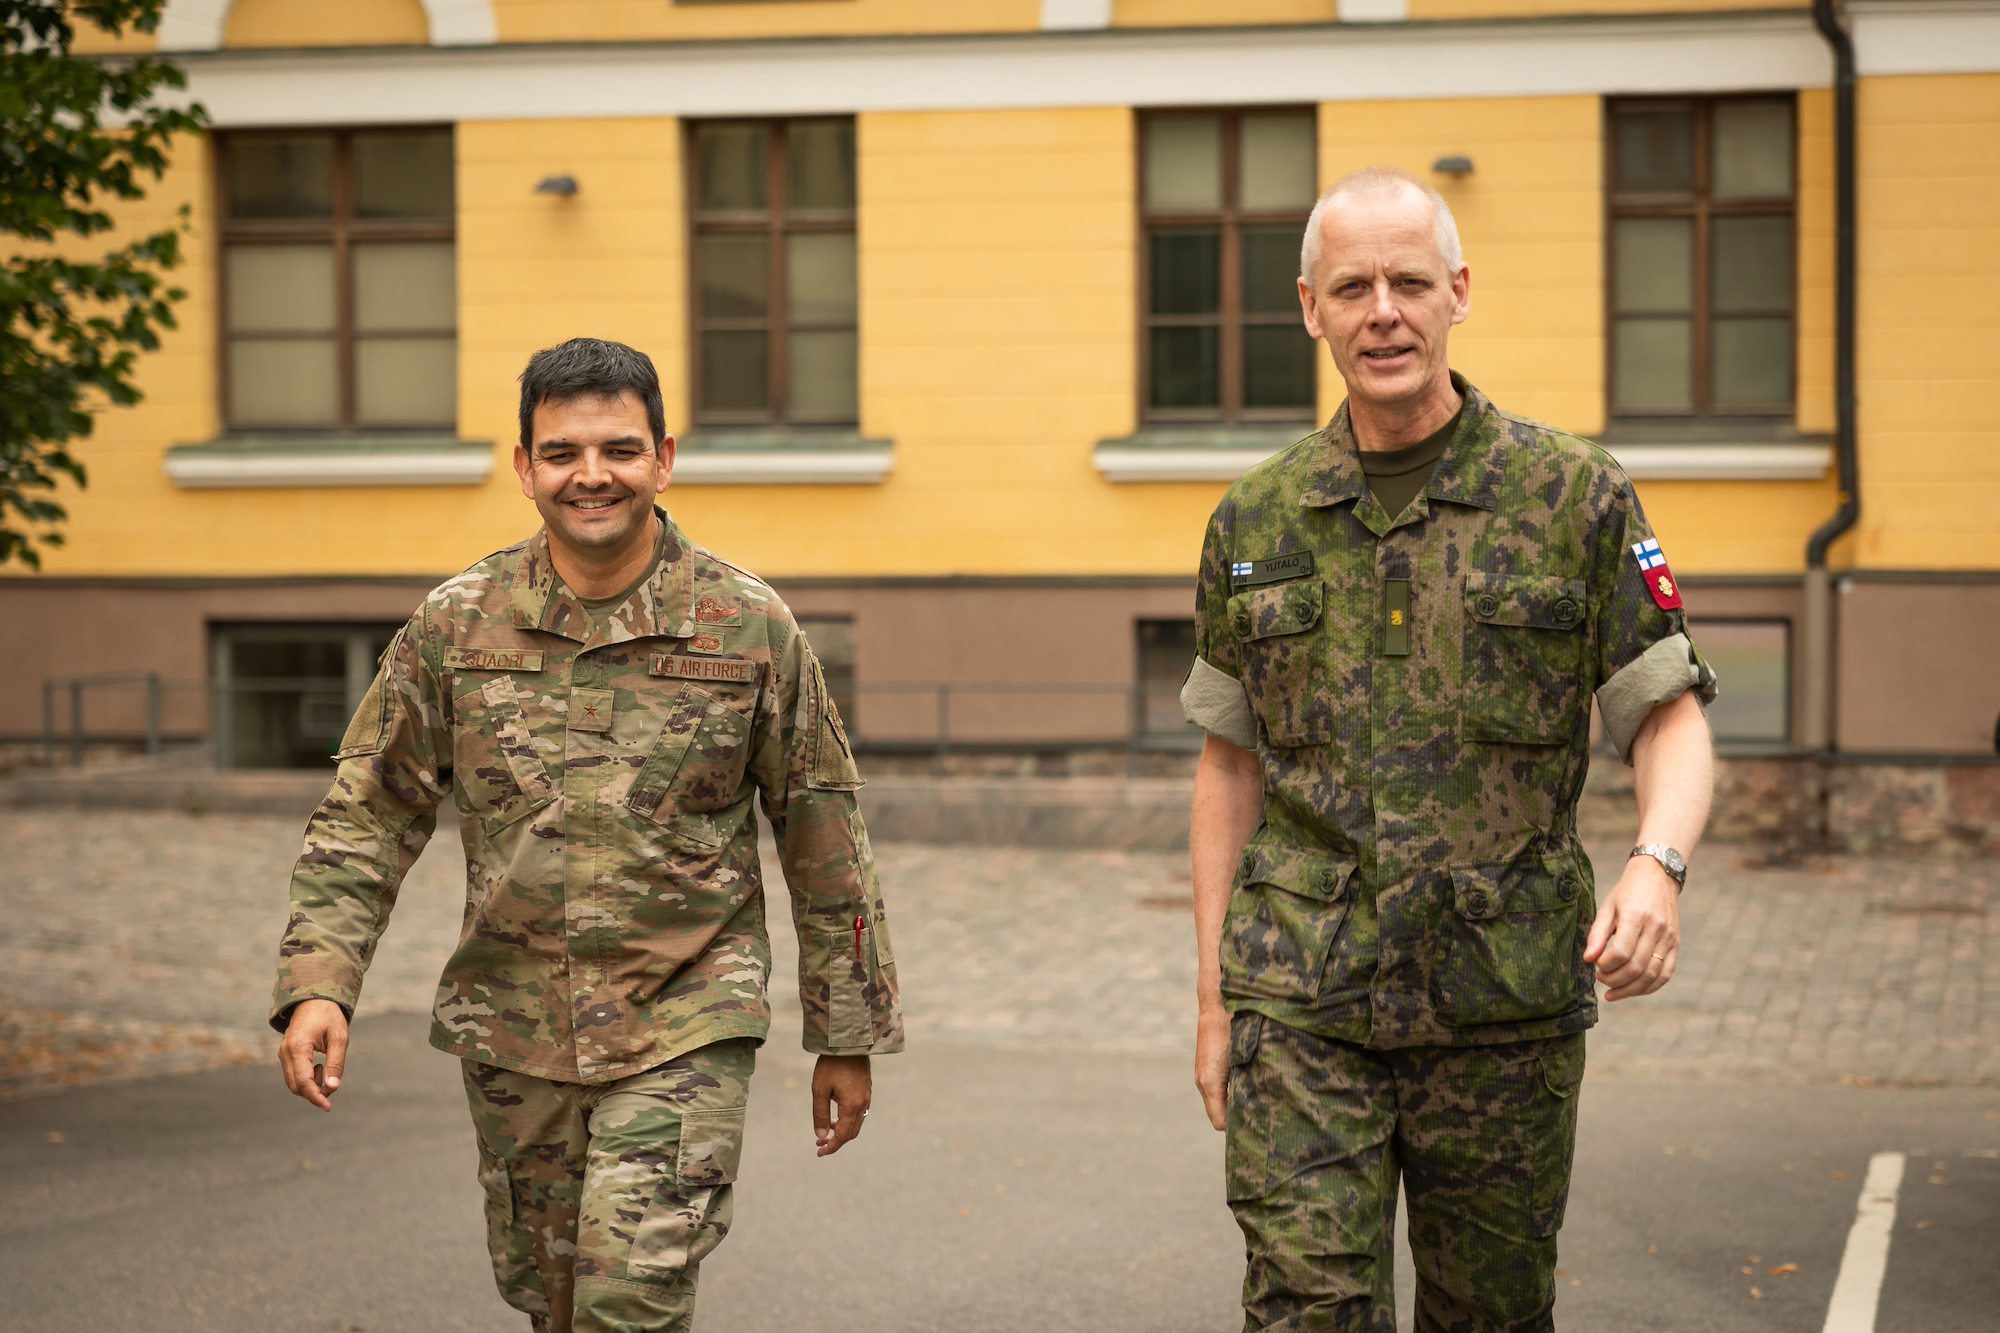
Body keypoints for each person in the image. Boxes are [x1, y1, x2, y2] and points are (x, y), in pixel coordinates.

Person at [271, 337, 904, 1333]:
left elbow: (824, 832)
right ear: (525, 468)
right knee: (554, 1303)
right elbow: (369, 814)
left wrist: (846, 1033)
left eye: (619, 448)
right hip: (512, 1026)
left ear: (664, 459)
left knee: (627, 1301)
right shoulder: (457, 624)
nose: (591, 474)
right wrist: (320, 981)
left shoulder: (747, 626)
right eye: (563, 452)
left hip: (687, 1018)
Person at [1181, 167, 1717, 1332]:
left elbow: (1665, 711)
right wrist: (1215, 1000)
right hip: (1300, 1001)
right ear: (1309, 308)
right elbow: (1228, 765)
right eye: (1351, 287)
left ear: (1456, 293)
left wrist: (1657, 864)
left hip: (1500, 1011)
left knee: (1490, 1312)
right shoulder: (1254, 519)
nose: (1382, 311)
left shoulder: (1570, 495)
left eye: (1409, 283)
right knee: (1306, 1305)